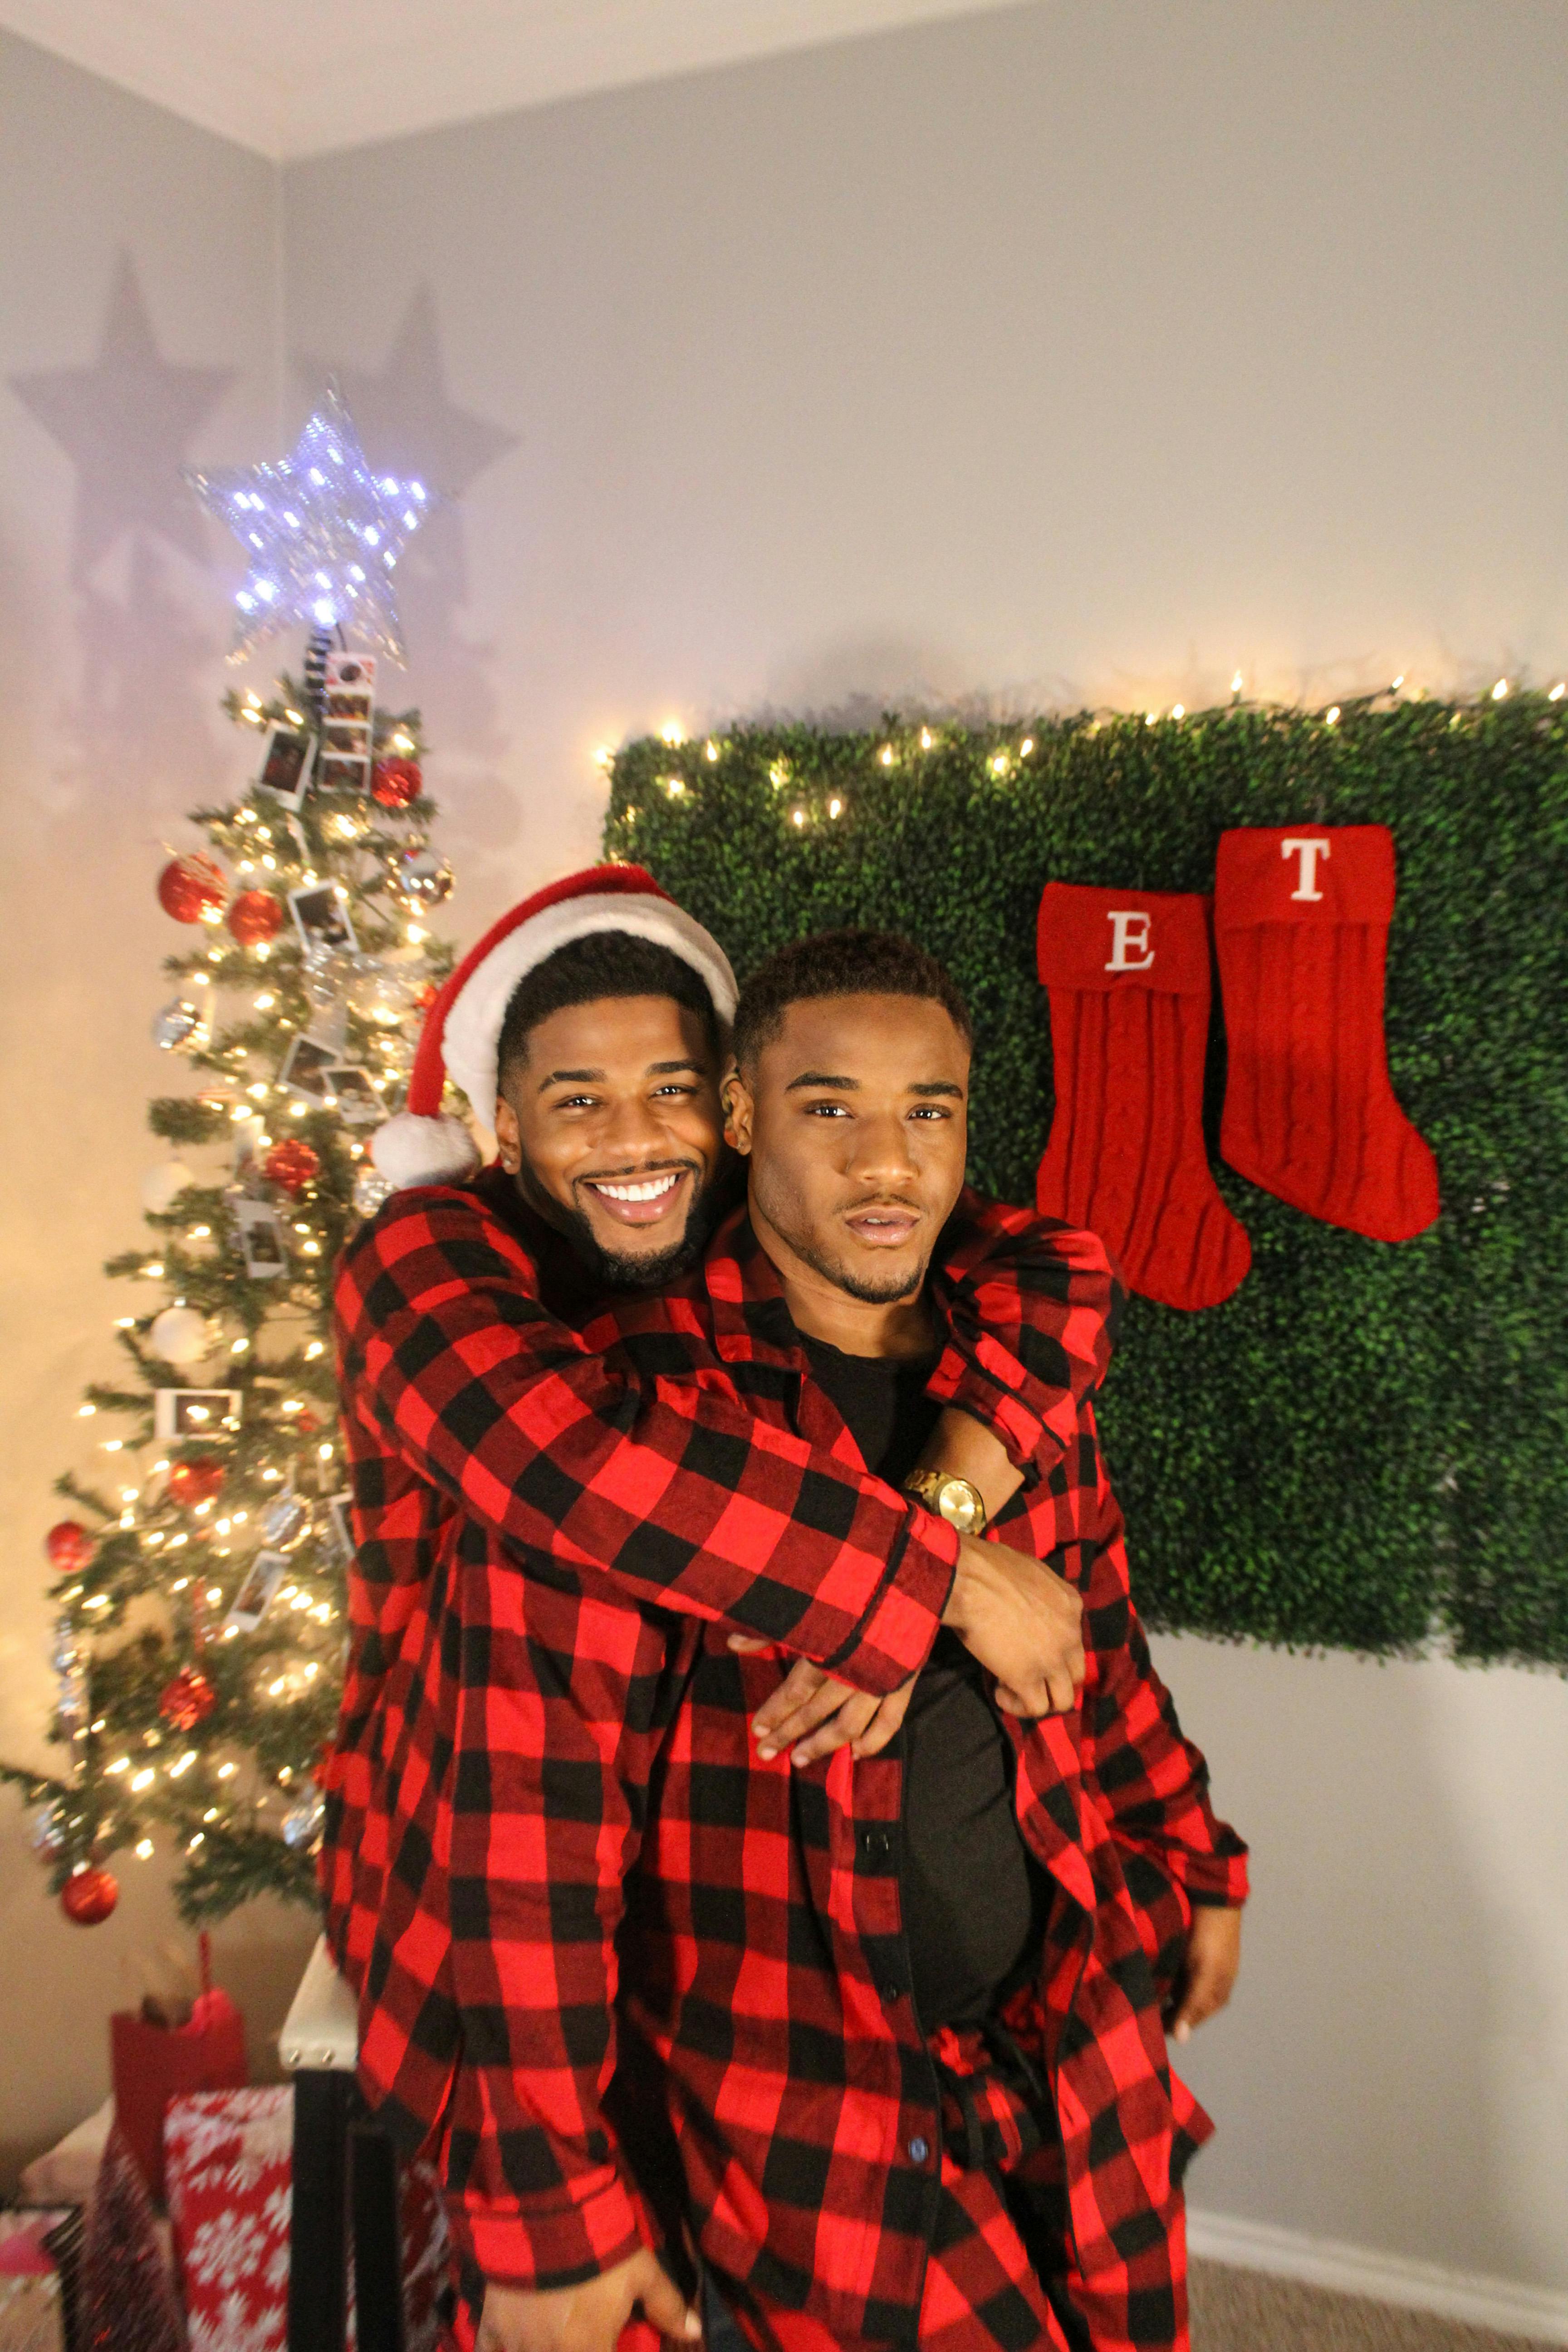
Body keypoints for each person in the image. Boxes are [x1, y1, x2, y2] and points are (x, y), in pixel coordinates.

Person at [323, 869, 1116, 2343]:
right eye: (578, 1100)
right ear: (500, 1127)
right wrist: (938, 1574)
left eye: (674, 1089)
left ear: (731, 1111)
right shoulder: (424, 1255)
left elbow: (1051, 1272)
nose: (638, 1137)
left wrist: (951, 1494)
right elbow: (569, 1469)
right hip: (458, 1860)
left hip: (715, 1956)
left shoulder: (749, 1280)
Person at [586, 930, 1247, 2352]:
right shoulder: (651, 1396)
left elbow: (1106, 1656)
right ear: (745, 1117)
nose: (887, 1162)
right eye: (830, 1108)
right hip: (806, 2087)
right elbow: (549, 1809)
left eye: (927, 1111)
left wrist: (1199, 1857)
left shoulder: (1004, 1370)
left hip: (1062, 2030)